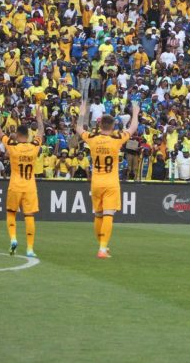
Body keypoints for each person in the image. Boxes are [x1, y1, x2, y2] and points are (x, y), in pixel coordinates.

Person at [76, 99, 140, 259]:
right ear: (112, 127)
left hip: (96, 182)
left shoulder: (92, 138)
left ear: (100, 125)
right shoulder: (116, 139)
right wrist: (136, 113)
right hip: (111, 182)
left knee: (98, 215)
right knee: (108, 215)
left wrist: (82, 112)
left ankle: (102, 246)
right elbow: (132, 128)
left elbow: (78, 128)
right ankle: (102, 249)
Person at [0, 106, 44, 258]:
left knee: (11, 213)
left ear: (17, 135)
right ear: (28, 135)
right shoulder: (34, 146)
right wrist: (39, 116)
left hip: (15, 185)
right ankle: (30, 249)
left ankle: (13, 238)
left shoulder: (12, 146)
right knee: (29, 216)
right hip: (30, 186)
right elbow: (41, 131)